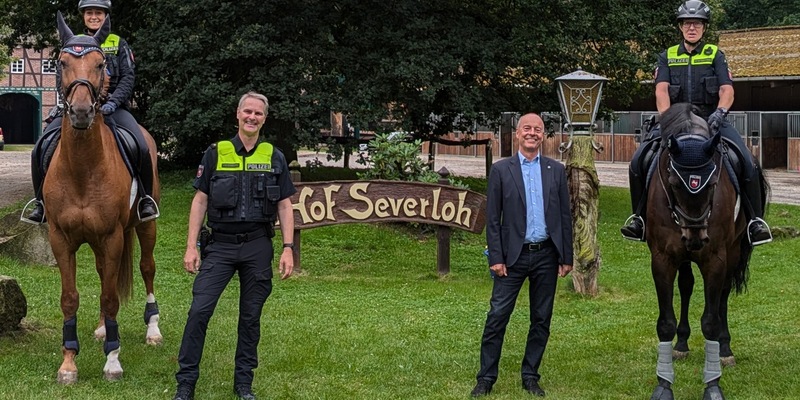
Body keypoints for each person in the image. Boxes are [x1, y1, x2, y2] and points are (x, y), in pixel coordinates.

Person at [173, 92, 296, 400]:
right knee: (199, 311)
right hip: (221, 246)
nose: (252, 117)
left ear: (264, 119)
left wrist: (288, 247)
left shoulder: (274, 156)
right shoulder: (216, 152)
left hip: (258, 245)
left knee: (250, 317)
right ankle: (185, 384)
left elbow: (284, 205)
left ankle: (244, 384)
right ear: (237, 115)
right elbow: (200, 200)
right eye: (247, 112)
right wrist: (191, 246)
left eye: (258, 113)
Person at [620, 0, 772, 245]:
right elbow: (661, 91)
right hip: (674, 122)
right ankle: (638, 219)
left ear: (704, 27)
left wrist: (720, 114)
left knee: (747, 161)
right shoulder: (667, 56)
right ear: (680, 27)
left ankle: (755, 222)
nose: (692, 27)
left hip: (712, 120)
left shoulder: (715, 54)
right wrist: (668, 120)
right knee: (639, 160)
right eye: (687, 23)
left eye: (697, 23)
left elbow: (727, 90)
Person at [23, 0, 158, 224]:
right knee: (40, 147)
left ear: (105, 16)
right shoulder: (72, 44)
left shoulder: (118, 43)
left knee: (141, 145)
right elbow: (61, 77)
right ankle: (40, 203)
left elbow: (127, 77)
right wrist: (68, 103)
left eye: (98, 13)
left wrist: (113, 102)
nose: (94, 16)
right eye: (89, 13)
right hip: (76, 107)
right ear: (83, 16)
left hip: (112, 108)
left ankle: (145, 199)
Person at [471, 113, 574, 397]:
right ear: (518, 134)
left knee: (541, 319)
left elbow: (565, 216)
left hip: (546, 255)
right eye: (527, 128)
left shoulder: (556, 169)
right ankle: (486, 377)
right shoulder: (502, 170)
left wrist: (567, 256)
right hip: (511, 257)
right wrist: (496, 257)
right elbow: (493, 219)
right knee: (497, 316)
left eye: (538, 129)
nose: (532, 133)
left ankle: (530, 375)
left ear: (543, 135)